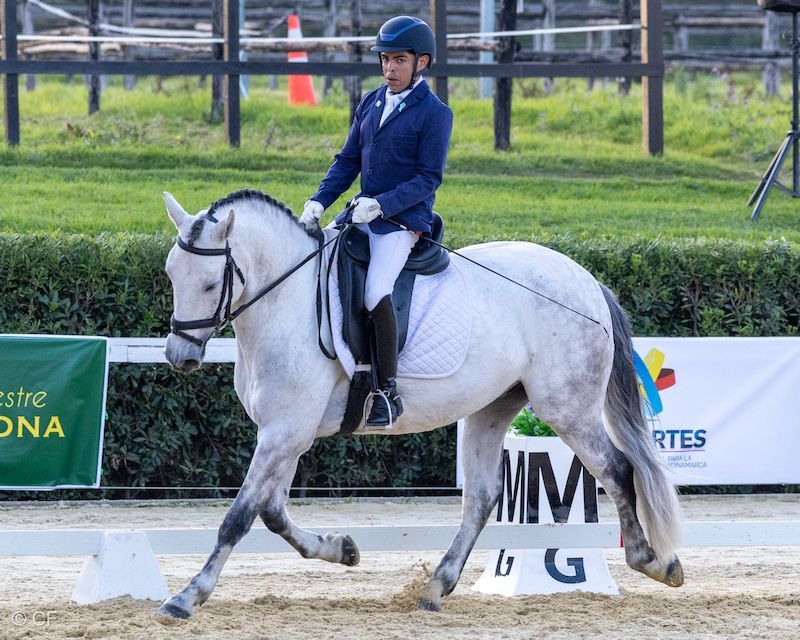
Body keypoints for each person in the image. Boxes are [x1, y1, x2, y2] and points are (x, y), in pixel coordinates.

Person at [299, 15, 453, 428]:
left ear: (422, 62)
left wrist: (382, 206)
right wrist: (319, 200)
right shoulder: (370, 102)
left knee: (374, 292)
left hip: (401, 222)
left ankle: (387, 392)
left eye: (399, 61)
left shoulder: (435, 113)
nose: (389, 69)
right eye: (385, 60)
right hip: (360, 214)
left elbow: (427, 178)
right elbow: (348, 160)